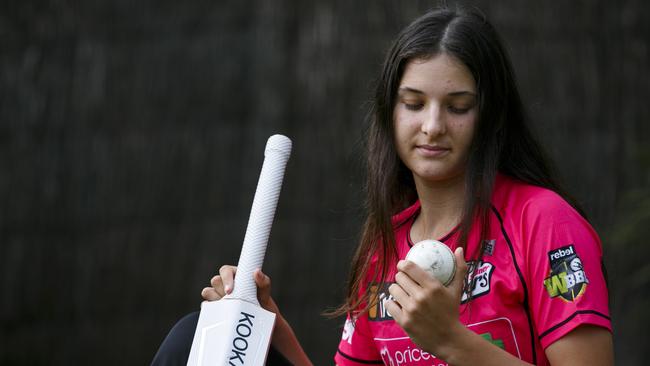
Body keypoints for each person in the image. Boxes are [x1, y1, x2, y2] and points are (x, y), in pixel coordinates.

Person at [152, 6, 613, 366]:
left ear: (490, 117)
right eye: (413, 103)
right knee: (195, 338)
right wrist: (263, 320)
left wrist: (451, 341)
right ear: (389, 114)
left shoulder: (544, 223)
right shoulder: (383, 249)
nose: (432, 126)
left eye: (458, 106)